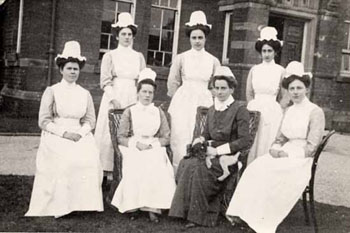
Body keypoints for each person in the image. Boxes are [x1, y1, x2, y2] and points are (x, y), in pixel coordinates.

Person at [226, 61, 325, 233]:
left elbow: (312, 146)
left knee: (270, 173)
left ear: (306, 89)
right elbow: (280, 137)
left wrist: (291, 156)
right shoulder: (289, 110)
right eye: (292, 89)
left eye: (299, 88)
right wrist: (274, 148)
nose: (295, 92)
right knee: (255, 167)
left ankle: (262, 221)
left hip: (301, 159)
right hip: (284, 151)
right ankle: (246, 214)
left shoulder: (315, 111)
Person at [25, 41, 103, 217]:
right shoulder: (52, 91)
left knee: (89, 158)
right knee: (65, 160)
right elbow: (43, 121)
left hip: (79, 133)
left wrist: (80, 133)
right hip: (57, 133)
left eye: (76, 69)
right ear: (61, 70)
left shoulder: (85, 93)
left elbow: (91, 120)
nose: (73, 72)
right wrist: (64, 133)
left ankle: (82, 204)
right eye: (69, 68)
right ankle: (62, 204)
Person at [169, 66, 252, 228]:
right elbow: (206, 135)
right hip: (211, 153)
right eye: (217, 88)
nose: (220, 92)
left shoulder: (240, 110)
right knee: (187, 163)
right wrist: (199, 140)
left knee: (201, 169)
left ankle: (199, 216)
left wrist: (218, 151)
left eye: (223, 88)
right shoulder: (213, 109)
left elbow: (244, 140)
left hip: (229, 157)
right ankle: (181, 211)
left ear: (232, 89)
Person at [111, 68, 176, 223]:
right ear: (138, 93)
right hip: (133, 144)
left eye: (150, 92)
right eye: (144, 92)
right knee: (137, 162)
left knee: (156, 161)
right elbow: (120, 137)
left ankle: (152, 207)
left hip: (153, 144)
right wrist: (136, 144)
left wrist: (154, 145)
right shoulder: (130, 111)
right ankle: (133, 205)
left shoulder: (158, 112)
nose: (147, 95)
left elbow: (166, 136)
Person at [167, 10, 220, 172]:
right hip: (184, 101)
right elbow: (173, 82)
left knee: (200, 135)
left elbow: (217, 85)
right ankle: (179, 171)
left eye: (200, 37)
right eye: (194, 37)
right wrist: (177, 99)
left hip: (204, 100)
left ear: (205, 38)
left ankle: (197, 173)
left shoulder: (213, 60)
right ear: (189, 38)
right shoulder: (181, 58)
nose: (197, 41)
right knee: (181, 134)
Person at [95, 12, 146, 178]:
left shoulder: (138, 57)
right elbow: (105, 81)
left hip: (132, 95)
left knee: (131, 131)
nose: (127, 37)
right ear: (117, 36)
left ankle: (127, 172)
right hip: (115, 95)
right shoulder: (110, 56)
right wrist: (113, 98)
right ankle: (106, 173)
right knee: (109, 133)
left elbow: (143, 81)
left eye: (129, 34)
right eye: (123, 34)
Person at [245, 26, 287, 164]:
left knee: (267, 140)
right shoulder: (255, 70)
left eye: (270, 51)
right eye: (264, 51)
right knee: (253, 141)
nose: (267, 54)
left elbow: (284, 94)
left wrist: (278, 109)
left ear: (275, 52)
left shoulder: (280, 71)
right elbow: (249, 92)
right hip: (255, 109)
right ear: (260, 52)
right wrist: (251, 107)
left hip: (272, 111)